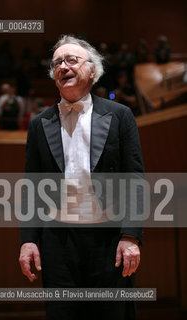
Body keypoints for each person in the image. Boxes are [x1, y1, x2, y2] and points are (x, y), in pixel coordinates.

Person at [19, 35, 144, 320]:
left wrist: (130, 236)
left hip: (109, 241)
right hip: (57, 244)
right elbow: (31, 186)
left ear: (92, 70)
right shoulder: (39, 124)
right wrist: (28, 240)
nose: (62, 66)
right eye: (57, 63)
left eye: (71, 60)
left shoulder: (120, 115)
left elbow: (135, 179)